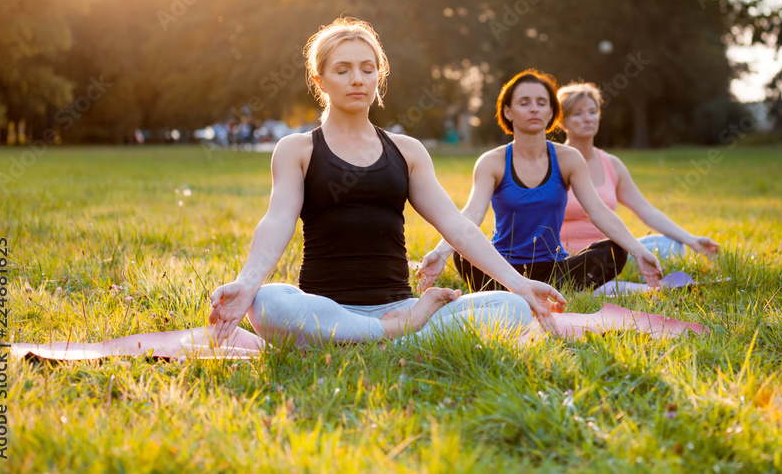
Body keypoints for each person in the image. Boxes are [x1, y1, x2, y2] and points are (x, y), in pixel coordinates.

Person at [207, 19, 566, 348]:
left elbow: (457, 226)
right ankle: (396, 336)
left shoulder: (406, 151)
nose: (358, 79)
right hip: (326, 308)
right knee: (268, 302)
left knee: (511, 306)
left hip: (399, 304)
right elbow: (278, 220)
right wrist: (247, 283)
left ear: (379, 75)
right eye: (342, 70)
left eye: (367, 68)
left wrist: (518, 284)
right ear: (320, 81)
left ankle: (364, 339)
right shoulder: (296, 149)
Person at [416, 70, 665, 295]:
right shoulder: (492, 162)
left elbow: (598, 211)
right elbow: (471, 214)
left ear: (551, 113)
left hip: (555, 269)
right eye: (524, 103)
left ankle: (532, 291)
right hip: (502, 267)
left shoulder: (569, 159)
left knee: (613, 250)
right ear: (508, 112)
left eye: (541, 103)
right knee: (465, 252)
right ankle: (520, 289)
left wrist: (639, 251)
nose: (534, 109)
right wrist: (441, 251)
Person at [556, 82, 720, 262]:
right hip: (566, 259)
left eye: (592, 112)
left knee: (673, 246)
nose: (587, 118)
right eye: (578, 114)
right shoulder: (554, 163)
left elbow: (646, 210)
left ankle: (640, 270)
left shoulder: (612, 164)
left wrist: (691, 239)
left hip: (609, 257)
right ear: (562, 122)